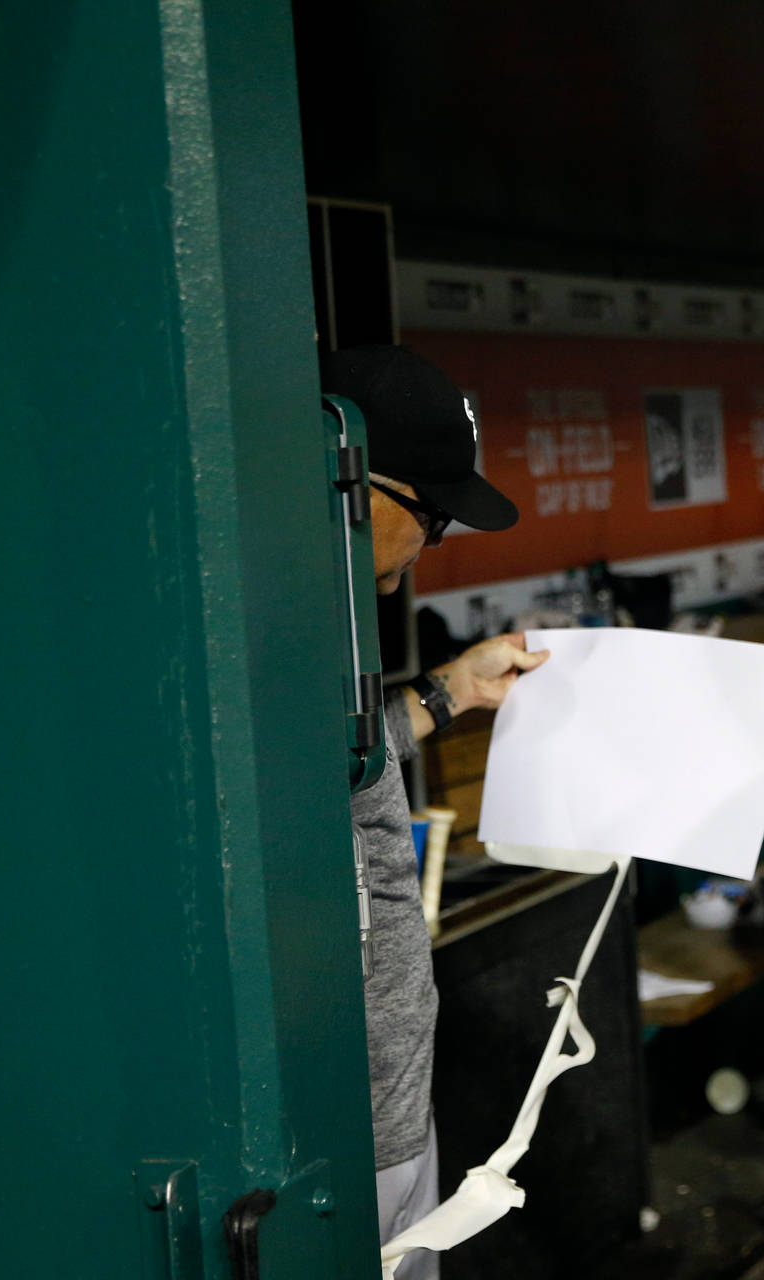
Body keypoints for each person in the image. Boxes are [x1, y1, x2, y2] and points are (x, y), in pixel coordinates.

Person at [322, 344, 551, 1280]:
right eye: (432, 517)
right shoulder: (270, 626)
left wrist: (450, 693)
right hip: (344, 1122)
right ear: (351, 484)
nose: (431, 545)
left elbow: (342, 763)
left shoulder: (327, 614)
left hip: (390, 1100)